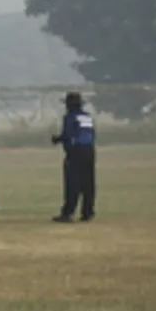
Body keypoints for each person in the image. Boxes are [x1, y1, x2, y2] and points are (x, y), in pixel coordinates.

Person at [51, 92, 96, 223]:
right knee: (88, 182)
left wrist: (57, 139)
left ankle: (67, 212)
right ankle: (88, 212)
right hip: (90, 151)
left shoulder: (70, 117)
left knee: (72, 182)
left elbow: (68, 135)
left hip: (76, 152)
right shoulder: (88, 117)